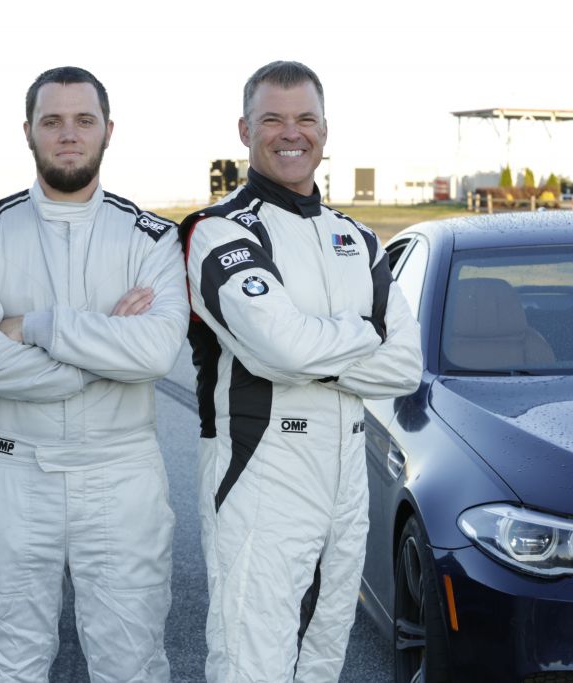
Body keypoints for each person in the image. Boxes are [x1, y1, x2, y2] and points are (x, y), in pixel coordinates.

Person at [0, 66, 189, 682]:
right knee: (8, 660)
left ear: (109, 130)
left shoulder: (151, 237)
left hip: (121, 471)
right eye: (52, 121)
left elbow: (156, 353)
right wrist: (103, 356)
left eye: (84, 120)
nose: (68, 134)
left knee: (132, 663)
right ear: (28, 131)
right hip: (12, 469)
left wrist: (35, 325)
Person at [179, 61, 422, 682]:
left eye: (305, 118)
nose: (291, 133)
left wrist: (306, 351)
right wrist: (361, 333)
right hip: (262, 473)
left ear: (324, 129)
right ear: (245, 131)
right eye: (273, 119)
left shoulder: (359, 239)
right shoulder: (217, 231)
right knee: (250, 660)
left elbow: (404, 365)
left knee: (323, 656)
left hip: (346, 477)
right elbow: (281, 348)